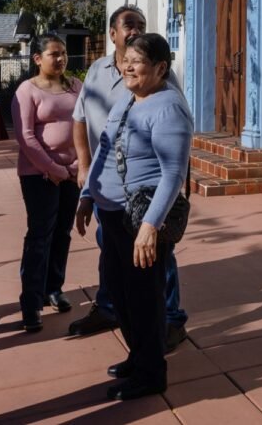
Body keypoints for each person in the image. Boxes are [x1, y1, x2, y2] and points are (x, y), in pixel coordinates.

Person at [77, 33, 192, 401]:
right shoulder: (129, 97)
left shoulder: (168, 107)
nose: (127, 66)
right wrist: (85, 195)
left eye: (137, 61)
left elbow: (173, 174)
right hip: (111, 213)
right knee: (120, 292)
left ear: (160, 68)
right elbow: (105, 148)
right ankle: (139, 355)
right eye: (126, 59)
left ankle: (151, 372)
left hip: (139, 218)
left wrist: (149, 228)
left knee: (144, 298)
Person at [11, 34, 82, 331]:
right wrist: (52, 167)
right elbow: (25, 136)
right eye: (54, 54)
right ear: (37, 58)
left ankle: (54, 287)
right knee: (40, 234)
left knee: (63, 232)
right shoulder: (27, 90)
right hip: (39, 174)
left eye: (63, 53)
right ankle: (32, 302)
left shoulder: (76, 85)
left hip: (72, 172)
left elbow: (86, 124)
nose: (61, 59)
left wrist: (79, 164)